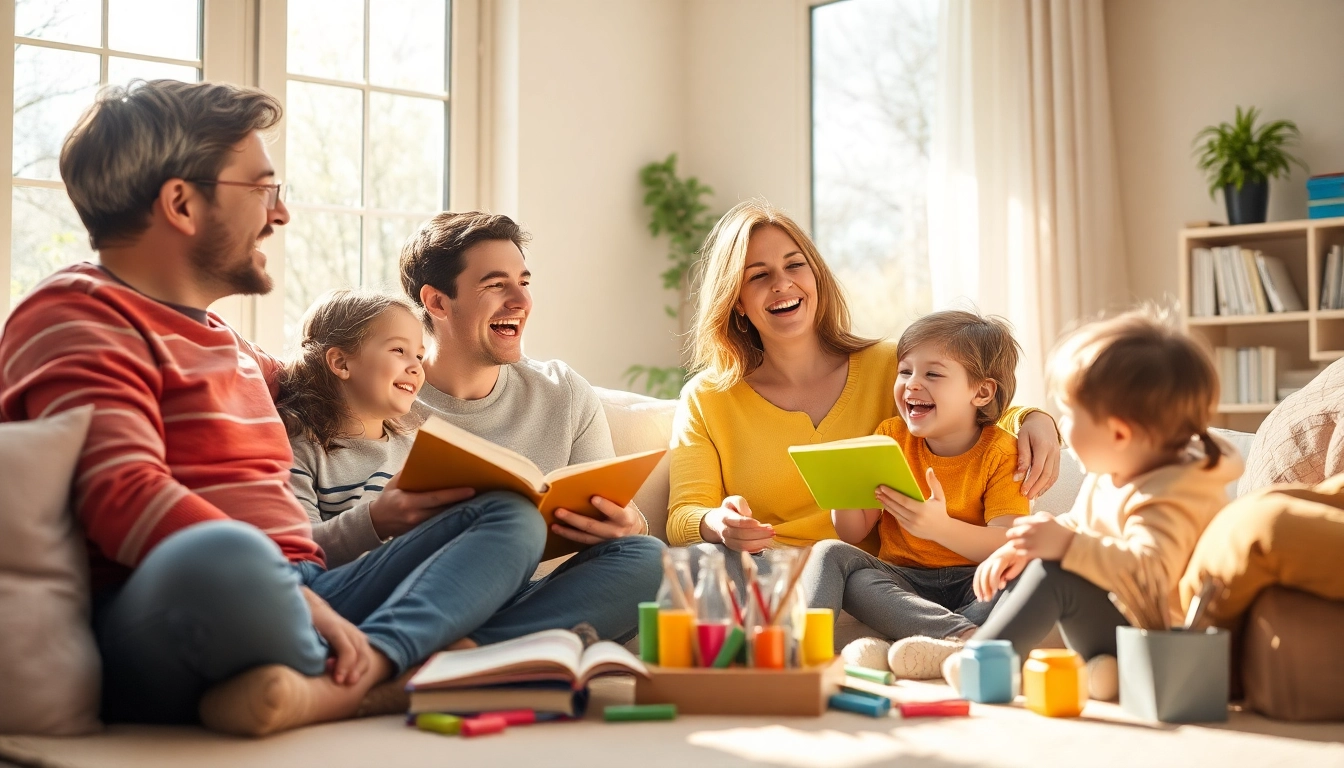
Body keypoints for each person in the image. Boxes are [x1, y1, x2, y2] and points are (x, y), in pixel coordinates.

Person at [0, 80, 551, 737]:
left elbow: (326, 380)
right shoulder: (77, 312)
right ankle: (417, 666)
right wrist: (290, 592)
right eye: (262, 189)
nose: (281, 213)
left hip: (308, 590)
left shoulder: (224, 340)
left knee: (511, 518)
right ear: (180, 202)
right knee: (226, 557)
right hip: (190, 601)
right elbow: (124, 493)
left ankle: (360, 672)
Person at [666, 200, 1062, 584]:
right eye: (758, 275)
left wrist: (1034, 418)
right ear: (736, 301)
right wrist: (715, 523)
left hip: (881, 578)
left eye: (794, 265)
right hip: (769, 576)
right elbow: (682, 515)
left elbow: (969, 401)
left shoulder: (892, 366)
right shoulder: (707, 398)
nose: (782, 284)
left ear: (816, 276)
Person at [934, 308, 1242, 701]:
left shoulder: (1174, 492)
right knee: (1040, 559)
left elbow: (1150, 573)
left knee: (1054, 570)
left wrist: (1063, 547)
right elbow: (1079, 525)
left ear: (1118, 433)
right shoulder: (1113, 470)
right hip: (1124, 629)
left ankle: (982, 663)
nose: (1061, 425)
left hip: (1167, 643)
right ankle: (1105, 666)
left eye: (1070, 414)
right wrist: (1022, 546)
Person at [400, 211, 664, 644]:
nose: (520, 301)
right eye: (496, 284)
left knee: (646, 558)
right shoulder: (388, 396)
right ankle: (474, 650)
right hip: (424, 596)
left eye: (523, 282)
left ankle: (464, 652)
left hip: (527, 601)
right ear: (437, 302)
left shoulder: (563, 393)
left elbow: (612, 521)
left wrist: (629, 526)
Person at [802, 310, 1031, 679]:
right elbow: (853, 532)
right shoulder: (891, 437)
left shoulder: (1002, 452)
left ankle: (951, 638)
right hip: (903, 583)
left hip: (976, 582)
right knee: (833, 555)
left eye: (933, 374)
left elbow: (1008, 545)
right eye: (905, 371)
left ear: (982, 391)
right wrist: (840, 489)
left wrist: (939, 528)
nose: (912, 384)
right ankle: (807, 657)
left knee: (1028, 570)